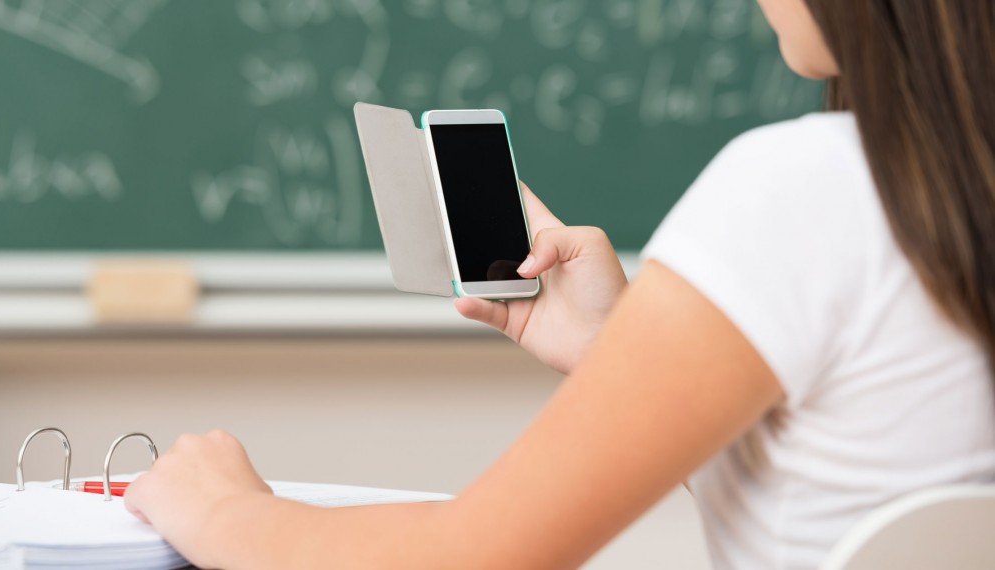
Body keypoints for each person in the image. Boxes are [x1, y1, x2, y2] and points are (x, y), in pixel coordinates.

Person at [123, 1, 995, 568]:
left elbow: (476, 557)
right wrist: (621, 353)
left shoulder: (804, 190)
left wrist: (226, 513)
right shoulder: (945, 199)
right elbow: (855, 477)